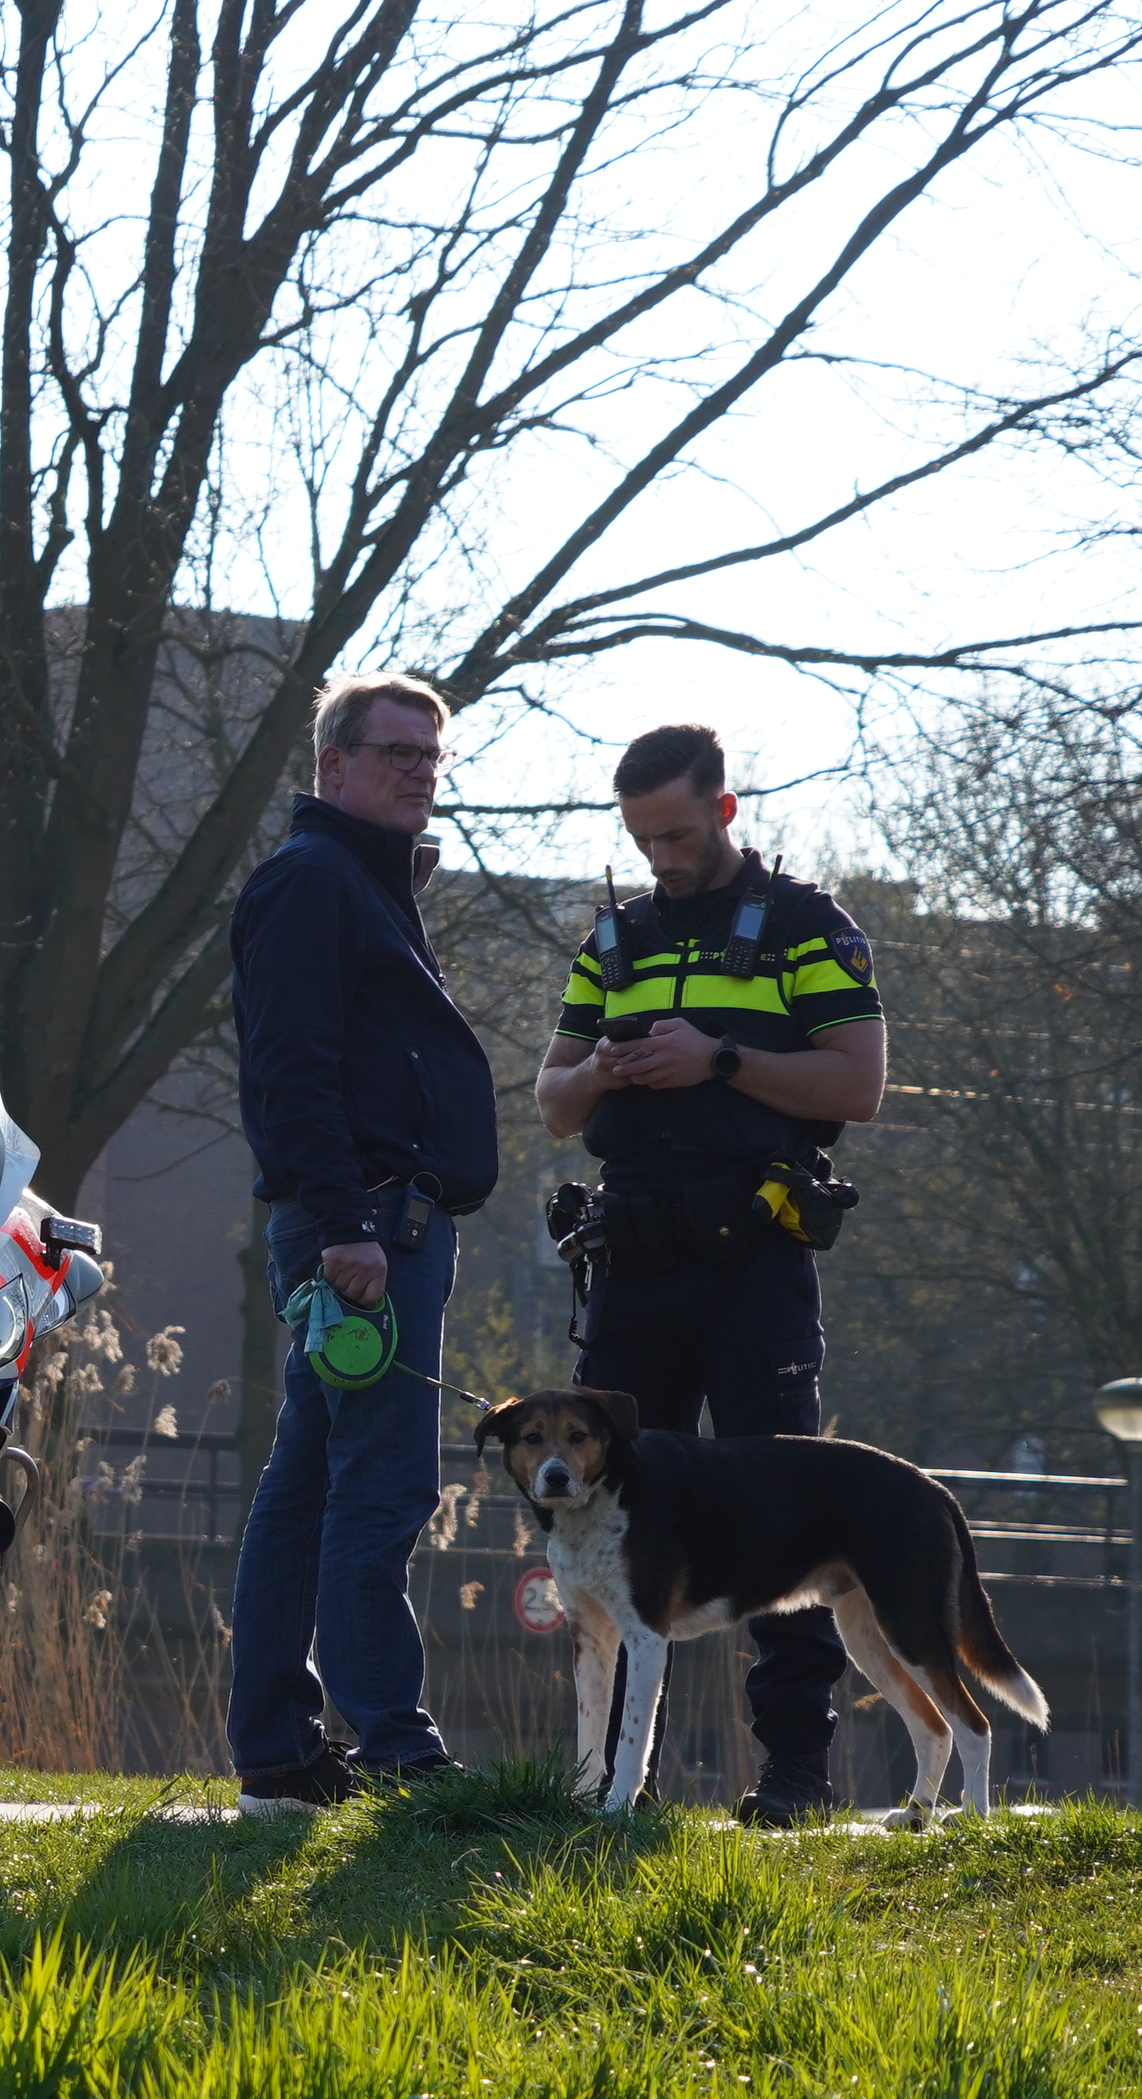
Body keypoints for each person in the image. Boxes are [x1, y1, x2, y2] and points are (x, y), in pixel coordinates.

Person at [534, 724, 884, 1828]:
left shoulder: (802, 926)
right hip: (633, 1255)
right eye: (643, 839)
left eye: (679, 833)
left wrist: (718, 1058)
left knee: (785, 1510)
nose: (662, 858)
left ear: (725, 810)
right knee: (600, 1518)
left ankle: (792, 1775)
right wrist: (602, 1066)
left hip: (754, 1261)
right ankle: (602, 1778)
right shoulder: (615, 938)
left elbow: (859, 1083)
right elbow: (551, 1098)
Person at [225, 670, 501, 1815]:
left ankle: (283, 1756)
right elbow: (292, 1065)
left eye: (431, 760)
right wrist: (346, 1224)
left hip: (372, 1221)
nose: (417, 774)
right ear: (332, 765)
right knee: (378, 1489)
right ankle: (395, 1746)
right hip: (368, 1226)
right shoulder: (314, 880)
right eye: (395, 754)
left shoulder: (356, 881)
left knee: (304, 1489)